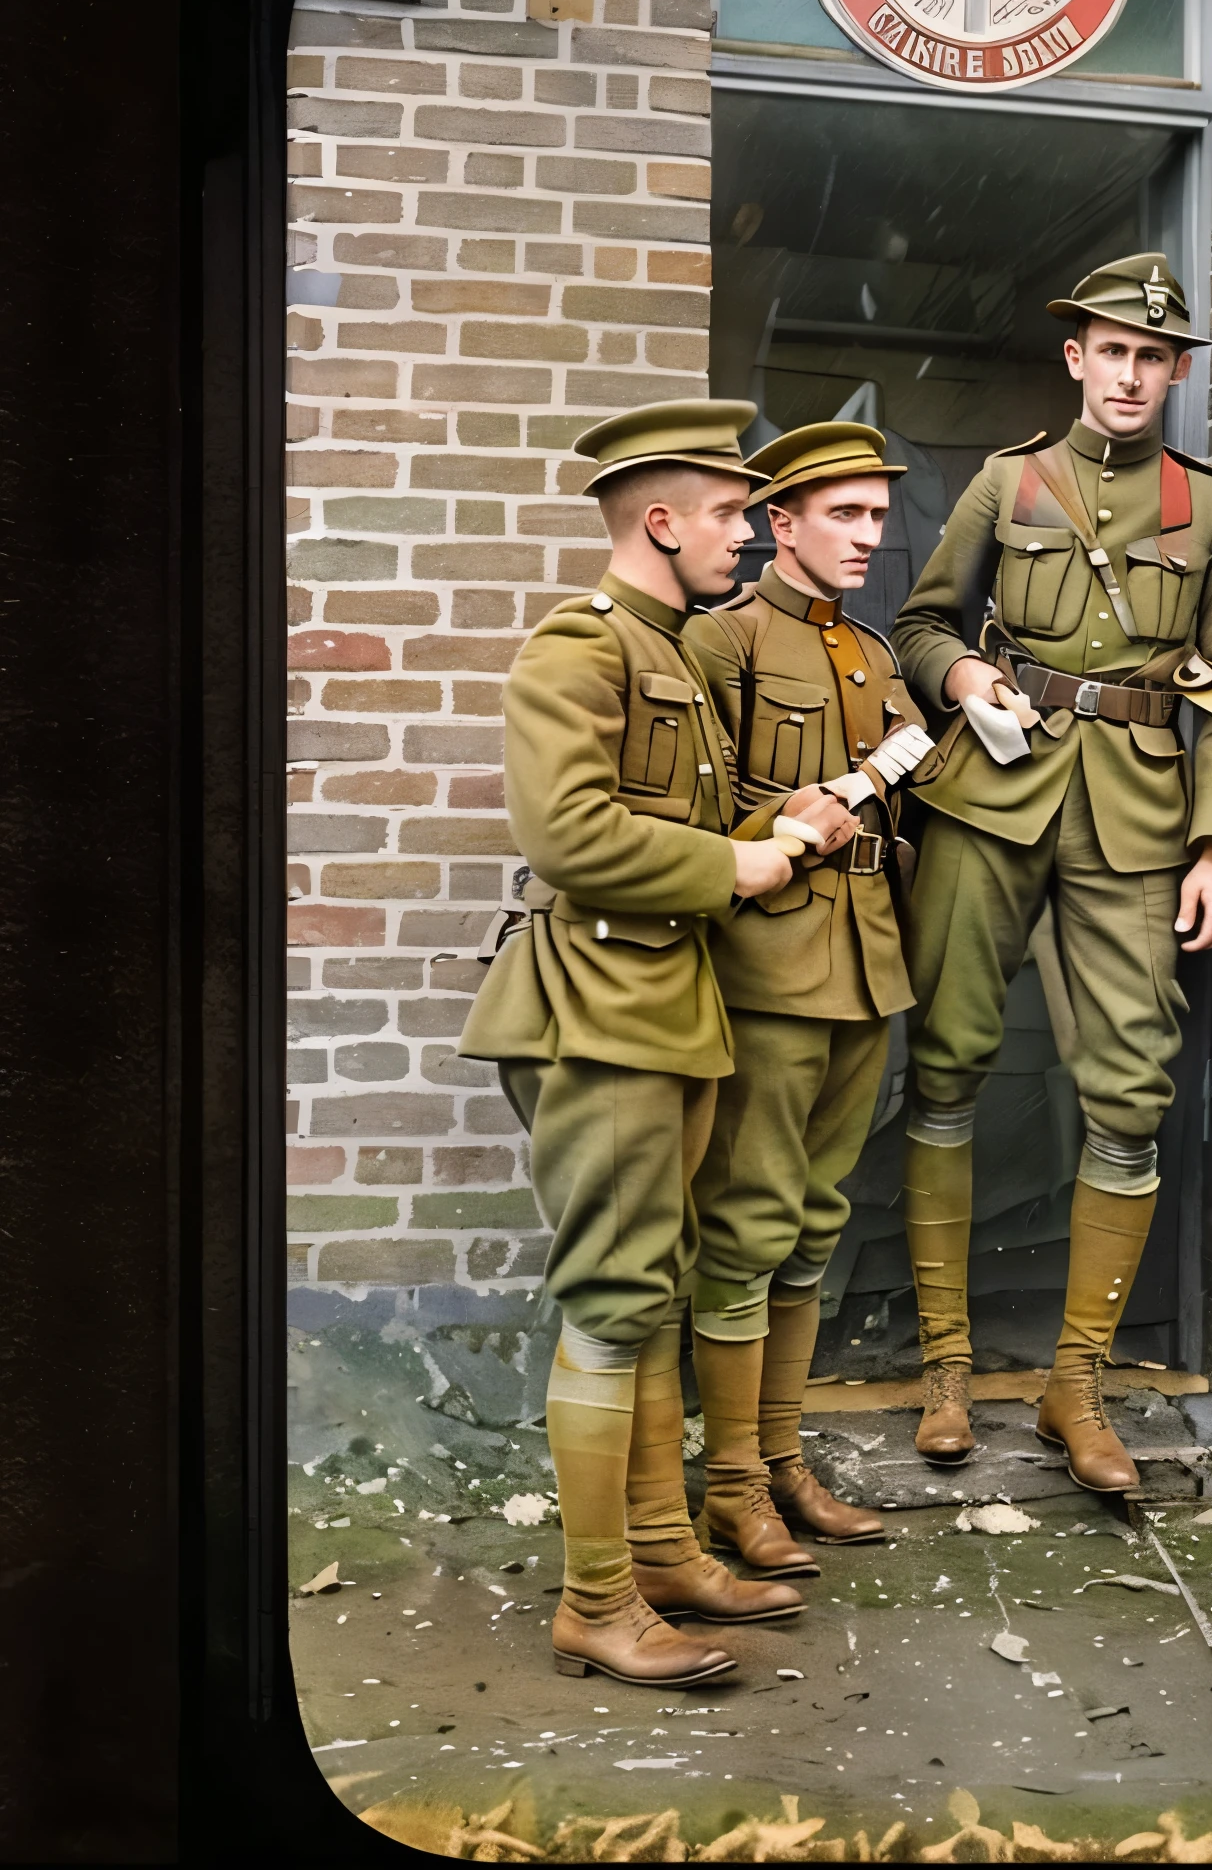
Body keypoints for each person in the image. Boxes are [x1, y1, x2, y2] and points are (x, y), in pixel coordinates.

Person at [458, 398, 859, 1686]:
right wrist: (738, 857)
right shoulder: (574, 653)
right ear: (662, 521)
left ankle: (660, 1547)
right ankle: (595, 1600)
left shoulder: (666, 649)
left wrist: (771, 810)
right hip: (600, 1010)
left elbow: (661, 802)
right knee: (618, 1297)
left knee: (656, 1286)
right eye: (735, 515)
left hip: (660, 1006)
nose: (744, 536)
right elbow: (569, 835)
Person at [890, 254, 1212, 1490]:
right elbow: (922, 622)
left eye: (1153, 357)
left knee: (1130, 1088)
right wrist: (961, 677)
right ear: (1076, 359)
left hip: (1137, 818)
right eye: (1112, 351)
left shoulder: (1209, 509)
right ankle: (945, 1368)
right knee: (944, 1061)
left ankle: (1074, 1384)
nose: (1131, 375)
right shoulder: (1008, 481)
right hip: (991, 794)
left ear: (1176, 372)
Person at [681, 421, 932, 1576]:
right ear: (779, 523)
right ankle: (729, 1483)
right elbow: (692, 805)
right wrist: (782, 824)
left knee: (812, 1225)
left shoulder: (873, 654)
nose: (867, 538)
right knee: (745, 1225)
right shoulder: (721, 639)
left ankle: (779, 1461)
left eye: (878, 518)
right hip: (770, 966)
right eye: (845, 515)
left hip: (865, 962)